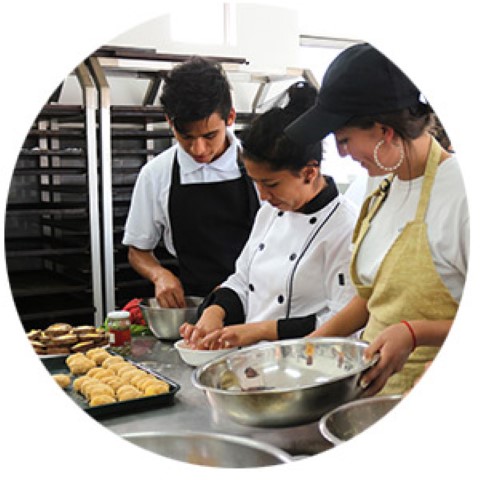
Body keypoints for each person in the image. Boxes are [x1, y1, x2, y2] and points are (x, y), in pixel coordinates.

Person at [285, 43, 469, 396]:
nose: (341, 153)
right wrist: (305, 349)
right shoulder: (381, 188)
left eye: (344, 140)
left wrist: (415, 333)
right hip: (371, 396)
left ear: (384, 131)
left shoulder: (459, 193)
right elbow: (374, 299)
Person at [180, 81, 358, 349]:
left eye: (271, 184)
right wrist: (214, 313)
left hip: (307, 366)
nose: (262, 195)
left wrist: (260, 331)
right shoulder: (270, 212)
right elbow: (242, 280)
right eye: (256, 182)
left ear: (310, 172)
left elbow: (344, 322)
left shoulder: (345, 227)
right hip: (254, 361)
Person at [122, 56, 260, 308]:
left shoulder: (259, 166)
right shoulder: (156, 174)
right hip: (193, 305)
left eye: (210, 136)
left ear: (230, 117)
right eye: (186, 137)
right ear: (169, 122)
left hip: (259, 301)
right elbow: (137, 251)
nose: (198, 149)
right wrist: (159, 274)